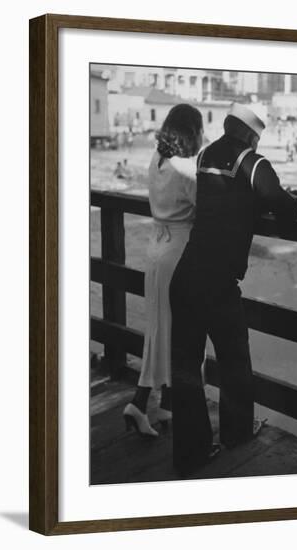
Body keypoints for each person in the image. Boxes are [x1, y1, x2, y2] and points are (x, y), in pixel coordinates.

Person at [169, 102, 297, 475]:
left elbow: (228, 198)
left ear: (228, 125)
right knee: (234, 360)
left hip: (184, 276)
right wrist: (287, 200)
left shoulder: (205, 157)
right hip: (217, 282)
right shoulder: (255, 163)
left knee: (184, 367)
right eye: (256, 136)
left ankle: (191, 451)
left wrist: (268, 197)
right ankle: (237, 434)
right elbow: (282, 206)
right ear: (251, 134)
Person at [123, 104, 204, 437]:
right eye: (200, 130)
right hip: (179, 253)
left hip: (156, 250)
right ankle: (143, 402)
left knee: (159, 330)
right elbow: (209, 208)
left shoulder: (157, 163)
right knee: (181, 335)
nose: (203, 136)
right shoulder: (186, 170)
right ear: (191, 133)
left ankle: (161, 405)